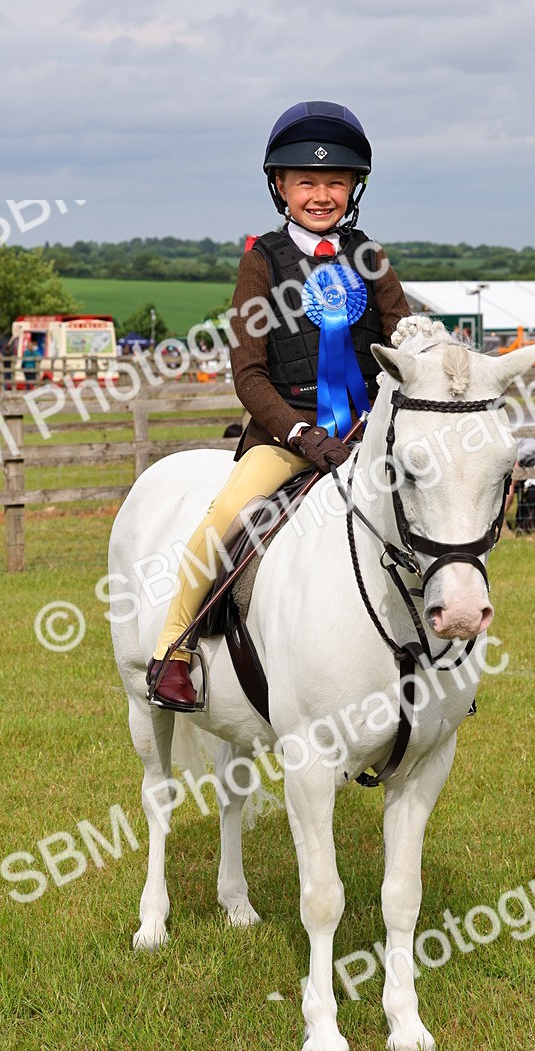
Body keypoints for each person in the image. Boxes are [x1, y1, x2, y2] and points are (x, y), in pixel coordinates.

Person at [148, 100, 411, 710]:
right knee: (223, 522)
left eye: (335, 183)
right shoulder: (261, 262)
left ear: (354, 188)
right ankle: (175, 651)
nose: (322, 195)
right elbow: (248, 373)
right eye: (307, 183)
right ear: (281, 187)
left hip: (366, 436)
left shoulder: (371, 258)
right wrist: (298, 434)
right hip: (286, 439)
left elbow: (404, 336)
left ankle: (435, 659)